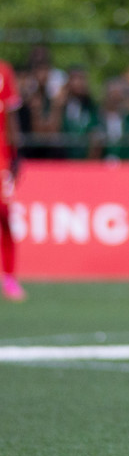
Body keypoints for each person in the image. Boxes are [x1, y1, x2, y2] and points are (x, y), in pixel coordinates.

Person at [0, 58, 22, 300]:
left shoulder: (4, 71)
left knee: (4, 215)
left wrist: (17, 154)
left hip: (1, 157)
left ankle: (9, 277)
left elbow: (12, 115)